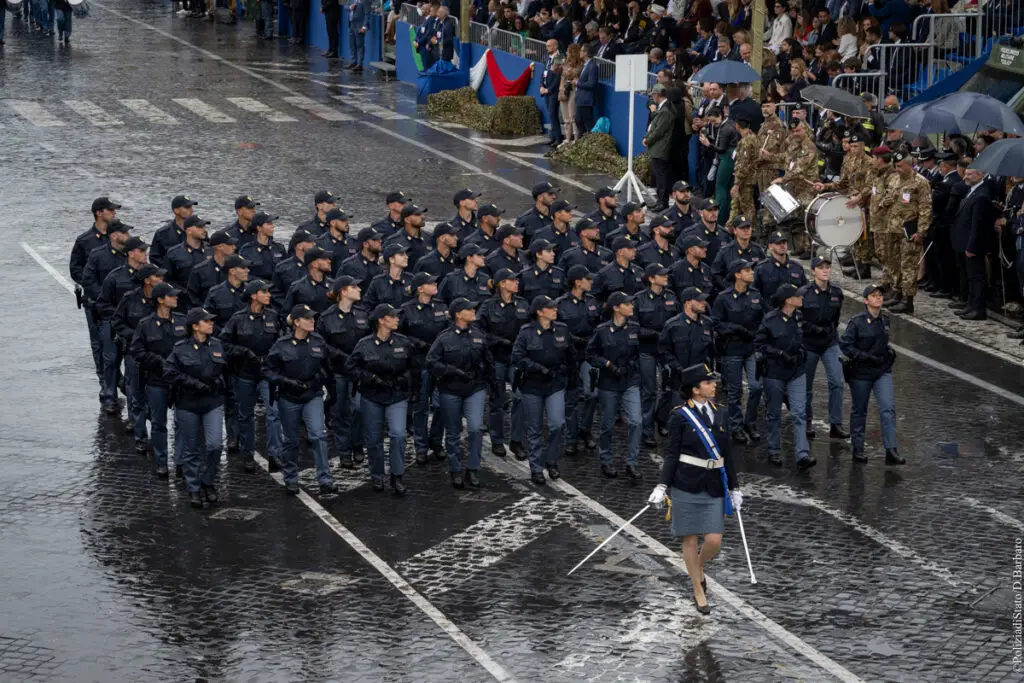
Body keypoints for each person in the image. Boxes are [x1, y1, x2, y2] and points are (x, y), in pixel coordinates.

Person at [647, 363, 740, 615]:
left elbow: (727, 454)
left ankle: (698, 566)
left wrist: (735, 487)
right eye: (708, 383)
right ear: (696, 389)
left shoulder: (721, 412)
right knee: (689, 538)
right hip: (686, 483)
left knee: (713, 540)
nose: (714, 385)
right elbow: (671, 454)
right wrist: (661, 485)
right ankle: (697, 589)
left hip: (713, 485)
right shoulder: (679, 415)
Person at [263, 305, 335, 496]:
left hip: (313, 395)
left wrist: (318, 380)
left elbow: (327, 367)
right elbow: (268, 370)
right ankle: (291, 478)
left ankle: (325, 479)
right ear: (296, 322)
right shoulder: (281, 344)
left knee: (318, 435)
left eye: (312, 318)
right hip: (289, 397)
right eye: (307, 318)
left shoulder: (319, 341)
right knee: (291, 440)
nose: (312, 321)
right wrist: (286, 381)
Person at [347, 303, 419, 495]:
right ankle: (377, 475)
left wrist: (410, 385)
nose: (397, 319)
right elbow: (351, 368)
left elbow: (414, 367)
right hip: (372, 395)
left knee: (398, 434)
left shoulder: (404, 343)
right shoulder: (364, 344)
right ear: (381, 320)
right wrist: (369, 378)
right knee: (373, 439)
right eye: (393, 316)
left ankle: (397, 476)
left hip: (396, 395)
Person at [163, 307, 228, 509]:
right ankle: (193, 487)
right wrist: (193, 383)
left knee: (215, 444)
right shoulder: (180, 348)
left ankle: (207, 481)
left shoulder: (217, 345)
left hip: (212, 402)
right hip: (188, 403)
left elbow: (224, 368)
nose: (211, 324)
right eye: (206, 321)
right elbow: (169, 372)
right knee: (191, 449)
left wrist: (220, 381)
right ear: (195, 326)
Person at [427, 298, 494, 488]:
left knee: (475, 428)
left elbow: (488, 362)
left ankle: (473, 469)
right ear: (458, 314)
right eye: (468, 309)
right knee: (453, 432)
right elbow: (431, 362)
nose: (473, 311)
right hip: (451, 389)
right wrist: (450, 371)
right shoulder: (444, 338)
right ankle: (455, 469)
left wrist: (494, 387)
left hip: (475, 387)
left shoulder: (479, 335)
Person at [512, 295, 576, 486]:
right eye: (550, 307)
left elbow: (571, 356)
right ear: (539, 312)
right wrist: (538, 368)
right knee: (535, 428)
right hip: (532, 385)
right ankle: (536, 468)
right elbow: (517, 357)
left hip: (555, 384)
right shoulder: (526, 332)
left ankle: (552, 460)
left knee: (557, 424)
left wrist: (571, 380)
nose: (554, 309)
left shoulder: (562, 330)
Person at [221, 279, 283, 474]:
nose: (269, 295)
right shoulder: (237, 319)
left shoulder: (273, 316)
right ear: (254, 295)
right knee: (245, 415)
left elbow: (281, 341)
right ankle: (247, 454)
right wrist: (243, 352)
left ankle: (275, 454)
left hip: (267, 372)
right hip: (245, 373)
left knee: (274, 413)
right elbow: (223, 344)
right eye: (264, 292)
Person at [840, 284, 904, 465]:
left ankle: (891, 449)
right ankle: (858, 447)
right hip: (861, 373)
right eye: (874, 296)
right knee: (859, 410)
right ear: (866, 300)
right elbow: (845, 345)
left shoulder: (885, 319)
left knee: (888, 408)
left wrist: (888, 352)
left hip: (881, 370)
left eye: (880, 295)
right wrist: (863, 356)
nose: (878, 298)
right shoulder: (857, 322)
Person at [130, 283, 187, 479]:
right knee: (158, 422)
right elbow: (137, 350)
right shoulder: (145, 325)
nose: (176, 298)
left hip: (178, 380)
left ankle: (180, 462)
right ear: (161, 300)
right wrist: (158, 362)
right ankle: (161, 461)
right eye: (171, 296)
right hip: (156, 380)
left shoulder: (182, 321)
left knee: (181, 423)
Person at [754, 283, 814, 469]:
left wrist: (801, 353)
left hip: (796, 371)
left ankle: (802, 454)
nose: (801, 297)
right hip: (775, 372)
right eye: (798, 295)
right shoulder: (770, 320)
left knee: (799, 413)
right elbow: (760, 344)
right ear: (788, 300)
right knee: (773, 413)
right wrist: (779, 354)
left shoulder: (799, 317)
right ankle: (774, 450)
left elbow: (803, 338)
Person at [587, 291, 644, 480]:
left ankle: (632, 462)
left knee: (636, 421)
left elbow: (637, 353)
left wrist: (630, 365)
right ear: (616, 308)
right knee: (607, 424)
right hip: (609, 383)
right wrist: (608, 365)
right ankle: (606, 459)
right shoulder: (602, 331)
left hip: (629, 381)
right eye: (627, 304)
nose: (632, 307)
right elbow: (591, 354)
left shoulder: (634, 328)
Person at [316, 276, 369, 468]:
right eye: (354, 287)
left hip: (359, 371)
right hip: (337, 371)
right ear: (343, 292)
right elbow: (321, 344)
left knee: (359, 409)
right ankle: (344, 450)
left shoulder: (362, 314)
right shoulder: (326, 318)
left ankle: (357, 445)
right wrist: (340, 357)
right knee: (341, 411)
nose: (359, 290)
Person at [478, 269, 531, 459]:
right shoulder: (488, 306)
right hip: (497, 359)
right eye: (512, 280)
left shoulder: (523, 304)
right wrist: (498, 341)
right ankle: (497, 440)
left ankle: (517, 441)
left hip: (517, 359)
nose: (516, 283)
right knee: (497, 400)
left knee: (521, 398)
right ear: (501, 284)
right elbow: (479, 331)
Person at [710, 258, 764, 444]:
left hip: (750, 348)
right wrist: (735, 329)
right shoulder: (723, 298)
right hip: (732, 349)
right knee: (735, 391)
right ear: (737, 274)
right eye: (747, 270)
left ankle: (750, 422)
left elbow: (762, 319)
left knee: (756, 387)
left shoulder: (756, 295)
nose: (751, 273)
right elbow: (716, 323)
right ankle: (736, 426)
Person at [71, 199, 123, 389]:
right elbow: (76, 270)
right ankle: (104, 379)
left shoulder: (119, 238)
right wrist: (98, 290)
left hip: (118, 301)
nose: (114, 213)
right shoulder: (85, 241)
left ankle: (115, 377)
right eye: (110, 210)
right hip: (95, 301)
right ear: (99, 213)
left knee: (120, 343)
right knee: (99, 343)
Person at [399, 272, 449, 465]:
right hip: (418, 366)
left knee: (440, 405)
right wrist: (416, 344)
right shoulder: (406, 310)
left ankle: (436, 440)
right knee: (420, 407)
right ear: (420, 288)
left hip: (438, 364)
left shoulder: (441, 307)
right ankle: (420, 446)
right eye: (430, 283)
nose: (434, 284)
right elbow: (399, 336)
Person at [798, 257, 849, 441]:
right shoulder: (803, 293)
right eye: (821, 268)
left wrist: (829, 330)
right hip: (809, 343)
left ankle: (836, 424)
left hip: (829, 342)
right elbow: (799, 319)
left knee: (837, 382)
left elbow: (836, 316)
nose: (825, 270)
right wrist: (813, 329)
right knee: (807, 387)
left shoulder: (836, 292)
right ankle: (807, 422)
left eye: (828, 267)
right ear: (813, 271)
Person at [556, 266, 601, 457]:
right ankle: (571, 438)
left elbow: (598, 324)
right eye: (587, 279)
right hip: (570, 355)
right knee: (572, 399)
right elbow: (557, 330)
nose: (591, 282)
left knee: (592, 393)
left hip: (589, 353)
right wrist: (573, 340)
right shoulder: (561, 304)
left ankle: (585, 428)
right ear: (577, 282)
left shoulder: (592, 301)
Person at [883, 149, 933, 315]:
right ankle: (897, 293)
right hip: (893, 228)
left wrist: (921, 232)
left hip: (908, 231)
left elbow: (926, 209)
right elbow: (888, 197)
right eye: (895, 166)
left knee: (908, 266)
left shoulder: (920, 182)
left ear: (910, 164)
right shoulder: (895, 179)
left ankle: (907, 300)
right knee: (894, 262)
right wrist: (886, 201)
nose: (897, 169)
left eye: (900, 166)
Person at [950, 167, 994, 321]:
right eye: (966, 174)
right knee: (969, 276)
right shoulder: (972, 191)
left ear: (980, 175)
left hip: (973, 244)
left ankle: (978, 309)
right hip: (964, 241)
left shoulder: (981, 195)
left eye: (969, 174)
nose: (965, 177)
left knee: (976, 277)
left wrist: (972, 246)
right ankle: (970, 305)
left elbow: (978, 225)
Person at [164, 216, 210, 308]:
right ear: (188, 230)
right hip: (184, 302)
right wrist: (184, 292)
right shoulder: (174, 253)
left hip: (208, 301)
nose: (204, 230)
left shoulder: (211, 250)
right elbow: (167, 280)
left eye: (204, 227)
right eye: (200, 227)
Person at [644, 83, 676, 211]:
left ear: (658, 95)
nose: (652, 98)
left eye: (653, 95)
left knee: (661, 177)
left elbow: (658, 131)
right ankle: (660, 201)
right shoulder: (663, 109)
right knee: (658, 177)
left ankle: (663, 203)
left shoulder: (665, 111)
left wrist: (648, 140)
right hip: (657, 147)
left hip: (660, 148)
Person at [187, 230, 237, 309]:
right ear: (220, 247)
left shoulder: (237, 268)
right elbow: (192, 297)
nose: (234, 247)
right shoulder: (199, 270)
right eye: (230, 244)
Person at [753, 230, 806, 304]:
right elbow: (754, 294)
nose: (782, 245)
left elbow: (804, 292)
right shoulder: (761, 269)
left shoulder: (797, 267)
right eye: (778, 243)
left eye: (784, 243)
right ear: (770, 246)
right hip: (770, 311)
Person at [272, 230, 316, 309]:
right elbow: (276, 294)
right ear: (299, 246)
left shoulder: (318, 265)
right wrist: (289, 308)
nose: (314, 244)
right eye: (310, 242)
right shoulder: (282, 268)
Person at [284, 245, 332, 315]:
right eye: (324, 259)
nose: (329, 261)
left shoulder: (334, 285)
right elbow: (286, 315)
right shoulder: (297, 288)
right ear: (314, 264)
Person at [364, 242, 413, 310]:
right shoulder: (378, 282)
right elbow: (367, 307)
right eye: (401, 254)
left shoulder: (411, 279)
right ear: (391, 259)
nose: (406, 257)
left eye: (406, 254)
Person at [240, 212, 286, 281]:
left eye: (272, 223)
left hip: (278, 289)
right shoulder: (247, 250)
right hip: (257, 289)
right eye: (269, 223)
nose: (272, 226)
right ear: (259, 228)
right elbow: (243, 274)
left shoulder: (279, 248)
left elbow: (287, 271)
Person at [151, 195, 195, 267]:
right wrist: (170, 269)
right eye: (187, 207)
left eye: (191, 207)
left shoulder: (198, 231)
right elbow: (154, 257)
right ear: (176, 210)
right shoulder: (162, 234)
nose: (191, 210)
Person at [340, 227, 384, 292]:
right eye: (375, 240)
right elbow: (340, 289)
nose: (380, 241)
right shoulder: (349, 265)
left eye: (379, 239)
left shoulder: (386, 262)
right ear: (365, 244)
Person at [516, 181, 558, 246]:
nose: (554, 196)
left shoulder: (558, 215)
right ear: (540, 197)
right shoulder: (525, 220)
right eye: (550, 194)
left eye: (554, 194)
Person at [316, 207, 355, 275]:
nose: (347, 222)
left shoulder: (354, 242)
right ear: (333, 223)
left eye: (347, 220)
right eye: (343, 220)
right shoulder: (320, 244)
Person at [559, 45, 582, 145]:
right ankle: (567, 138)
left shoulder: (580, 64)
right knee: (565, 117)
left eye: (568, 51)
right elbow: (557, 70)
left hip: (573, 90)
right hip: (564, 90)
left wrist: (567, 71)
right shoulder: (565, 62)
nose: (567, 53)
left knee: (572, 116)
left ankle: (576, 139)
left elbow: (572, 74)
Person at [575, 44, 599, 136]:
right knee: (578, 120)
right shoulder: (585, 65)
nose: (580, 52)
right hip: (581, 99)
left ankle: (591, 141)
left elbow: (592, 84)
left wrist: (578, 83)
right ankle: (584, 140)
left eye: (581, 50)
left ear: (586, 53)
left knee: (588, 122)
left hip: (586, 100)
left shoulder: (592, 66)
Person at [541, 52, 564, 147]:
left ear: (555, 46)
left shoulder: (559, 57)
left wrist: (549, 89)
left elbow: (558, 77)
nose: (547, 48)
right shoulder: (547, 57)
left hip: (553, 92)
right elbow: (543, 73)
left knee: (553, 114)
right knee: (551, 115)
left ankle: (558, 138)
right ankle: (553, 137)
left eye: (549, 46)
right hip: (546, 91)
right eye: (546, 46)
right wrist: (541, 86)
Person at [346, 0, 370, 69]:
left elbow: (367, 14)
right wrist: (350, 7)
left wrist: (364, 26)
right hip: (351, 24)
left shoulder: (364, 1)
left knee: (360, 45)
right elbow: (345, 7)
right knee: (352, 44)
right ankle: (353, 62)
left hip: (359, 25)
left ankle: (360, 64)